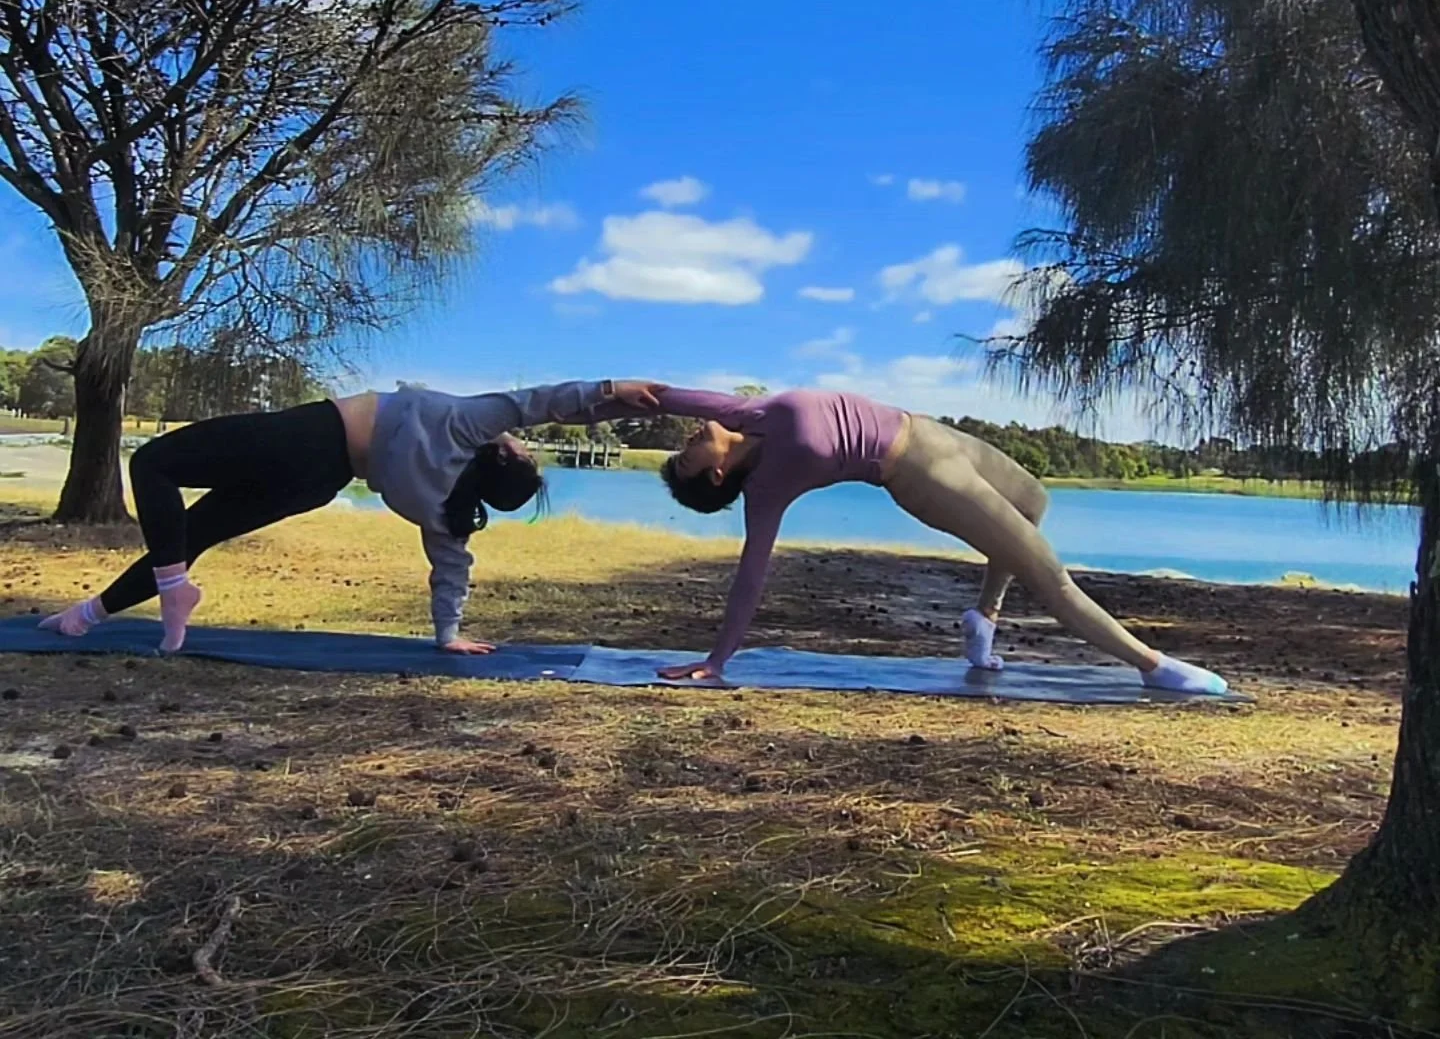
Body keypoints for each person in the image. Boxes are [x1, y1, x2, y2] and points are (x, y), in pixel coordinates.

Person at [651, 387, 1227, 693]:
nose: (688, 438)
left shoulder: (744, 412)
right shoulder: (768, 485)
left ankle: (983, 617)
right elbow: (753, 571)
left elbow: (657, 393)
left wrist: (585, 396)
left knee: (1035, 499)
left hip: (931, 431)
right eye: (686, 456)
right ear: (715, 476)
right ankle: (1151, 664)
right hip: (923, 475)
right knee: (1047, 574)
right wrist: (718, 659)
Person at [41, 379, 663, 654]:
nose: (523, 441)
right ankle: (87, 615)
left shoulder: (467, 423)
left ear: (502, 451)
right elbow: (452, 567)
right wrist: (447, 635)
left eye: (522, 448)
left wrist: (610, 388)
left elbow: (541, 403)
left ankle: (174, 591)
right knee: (191, 531)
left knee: (153, 462)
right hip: (318, 481)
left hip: (312, 436)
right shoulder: (442, 505)